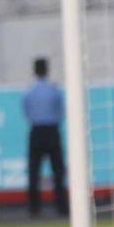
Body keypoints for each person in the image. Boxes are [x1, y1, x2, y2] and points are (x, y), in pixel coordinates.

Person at [23, 58, 69, 217]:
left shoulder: (29, 91)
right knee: (58, 171)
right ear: (47, 70)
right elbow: (61, 111)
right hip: (52, 131)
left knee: (33, 171)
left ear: (34, 71)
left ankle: (34, 209)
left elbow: (26, 112)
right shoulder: (54, 90)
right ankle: (61, 207)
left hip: (36, 131)